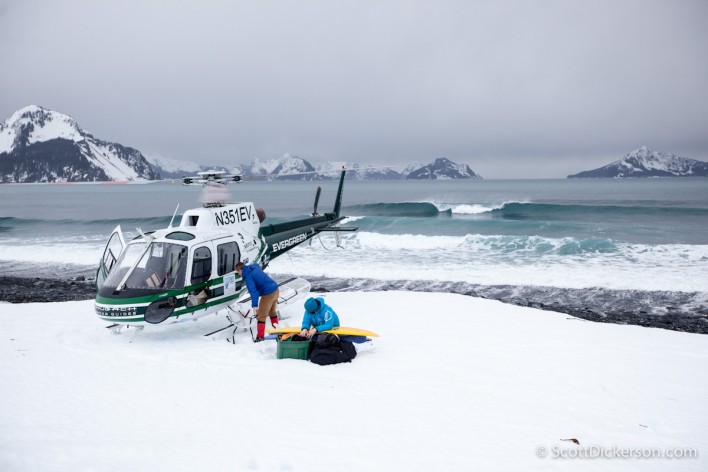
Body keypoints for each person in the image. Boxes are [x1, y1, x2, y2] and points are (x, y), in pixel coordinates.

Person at [236, 262, 279, 342]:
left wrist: (254, 306)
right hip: (275, 290)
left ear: (240, 270)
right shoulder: (254, 268)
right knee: (272, 312)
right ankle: (277, 332)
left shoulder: (248, 277)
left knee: (261, 316)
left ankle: (260, 337)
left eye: (238, 272)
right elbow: (256, 264)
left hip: (268, 294)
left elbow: (254, 292)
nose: (238, 274)